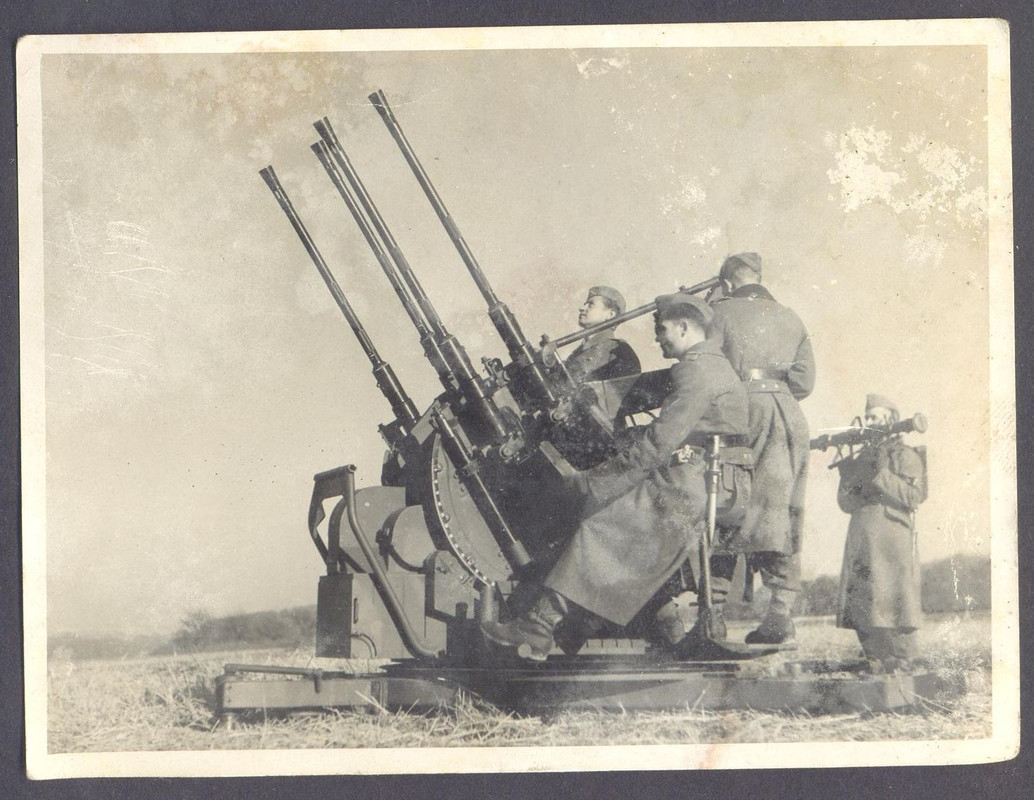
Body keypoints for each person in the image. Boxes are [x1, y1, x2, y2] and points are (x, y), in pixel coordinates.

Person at [482, 293, 749, 660]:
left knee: (600, 526)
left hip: (697, 484)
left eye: (662, 329)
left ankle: (539, 627)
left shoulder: (695, 369)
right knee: (627, 535)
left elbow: (657, 444)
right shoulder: (717, 366)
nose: (658, 339)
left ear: (686, 327)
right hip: (725, 482)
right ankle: (638, 627)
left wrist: (595, 483)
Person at [706, 252, 816, 644]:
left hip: (740, 411)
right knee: (780, 513)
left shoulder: (719, 312)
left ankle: (713, 614)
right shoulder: (790, 315)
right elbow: (804, 382)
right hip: (787, 414)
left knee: (724, 504)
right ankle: (780, 613)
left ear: (728, 282)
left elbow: (704, 366)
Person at [835, 394, 927, 671]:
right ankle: (877, 662)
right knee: (863, 604)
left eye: (876, 416)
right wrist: (849, 474)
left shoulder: (905, 455)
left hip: (891, 541)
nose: (870, 421)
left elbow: (913, 497)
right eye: (868, 416)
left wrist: (879, 474)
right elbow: (845, 503)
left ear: (891, 419)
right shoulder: (860, 456)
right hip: (862, 537)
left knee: (896, 605)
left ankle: (904, 664)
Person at [564, 285, 641, 382]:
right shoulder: (578, 352)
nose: (582, 308)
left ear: (610, 315)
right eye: (585, 304)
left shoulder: (619, 351)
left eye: (591, 304)